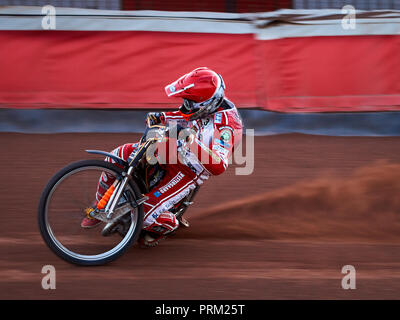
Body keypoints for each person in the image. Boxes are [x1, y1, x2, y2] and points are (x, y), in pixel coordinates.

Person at [81, 67, 243, 246]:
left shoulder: (228, 127)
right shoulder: (206, 104)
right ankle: (100, 205)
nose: (185, 104)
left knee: (145, 215)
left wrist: (189, 139)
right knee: (117, 156)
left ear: (206, 104)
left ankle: (167, 225)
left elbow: (218, 166)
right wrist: (162, 117)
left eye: (189, 102)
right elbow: (187, 116)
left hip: (189, 170)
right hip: (172, 148)